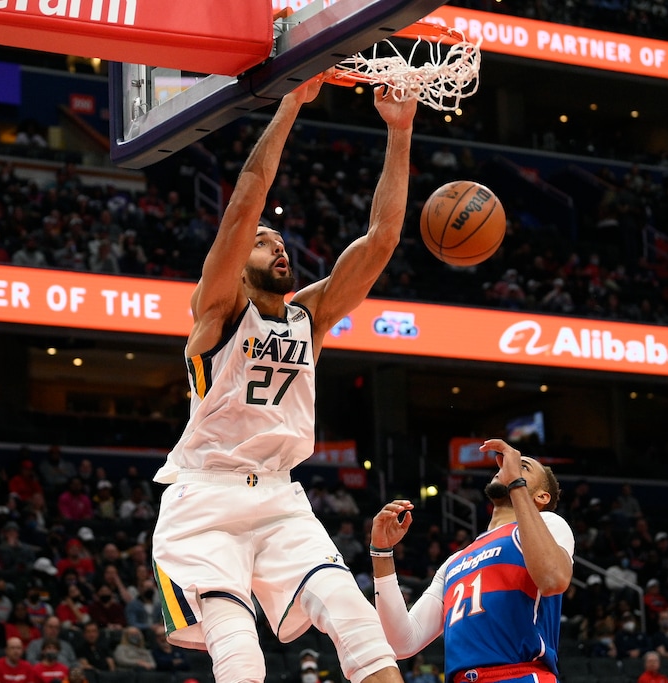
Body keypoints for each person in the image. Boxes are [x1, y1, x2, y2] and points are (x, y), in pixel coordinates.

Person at [149, 74, 417, 683]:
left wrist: (399, 132)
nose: (278, 248)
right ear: (236, 265)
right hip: (205, 497)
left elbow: (382, 239)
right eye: (262, 244)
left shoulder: (309, 316)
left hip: (279, 497)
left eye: (280, 242)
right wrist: (291, 102)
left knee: (356, 618)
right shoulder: (218, 311)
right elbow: (245, 202)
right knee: (241, 656)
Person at [370, 438, 574, 683]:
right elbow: (402, 642)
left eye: (522, 467)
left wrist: (515, 484)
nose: (508, 467)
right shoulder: (454, 562)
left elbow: (553, 579)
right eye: (507, 465)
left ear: (541, 497)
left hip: (519, 674)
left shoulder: (549, 523)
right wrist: (381, 552)